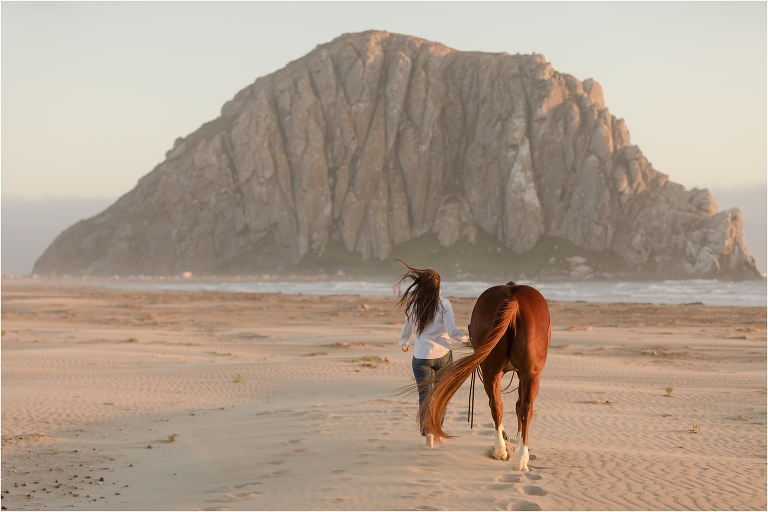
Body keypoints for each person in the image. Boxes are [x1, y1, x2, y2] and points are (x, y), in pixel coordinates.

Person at [393, 259, 469, 448]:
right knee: (441, 395)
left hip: (421, 357)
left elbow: (407, 330)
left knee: (425, 397)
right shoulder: (444, 304)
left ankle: (429, 437)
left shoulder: (413, 306)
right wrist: (467, 340)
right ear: (438, 287)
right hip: (443, 355)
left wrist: (404, 342)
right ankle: (438, 431)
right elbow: (452, 332)